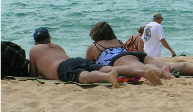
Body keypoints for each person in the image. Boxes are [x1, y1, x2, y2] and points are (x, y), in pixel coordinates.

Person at [29, 28, 163, 87]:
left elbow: (33, 73)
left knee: (83, 76)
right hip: (74, 60)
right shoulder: (56, 46)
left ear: (36, 41)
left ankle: (107, 77)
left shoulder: (34, 49)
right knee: (104, 68)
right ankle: (143, 72)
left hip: (61, 68)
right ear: (49, 38)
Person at [86, 22, 193, 78]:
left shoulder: (94, 46)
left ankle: (160, 72)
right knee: (169, 65)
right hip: (136, 54)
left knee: (140, 67)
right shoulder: (118, 41)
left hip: (120, 59)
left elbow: (88, 65)